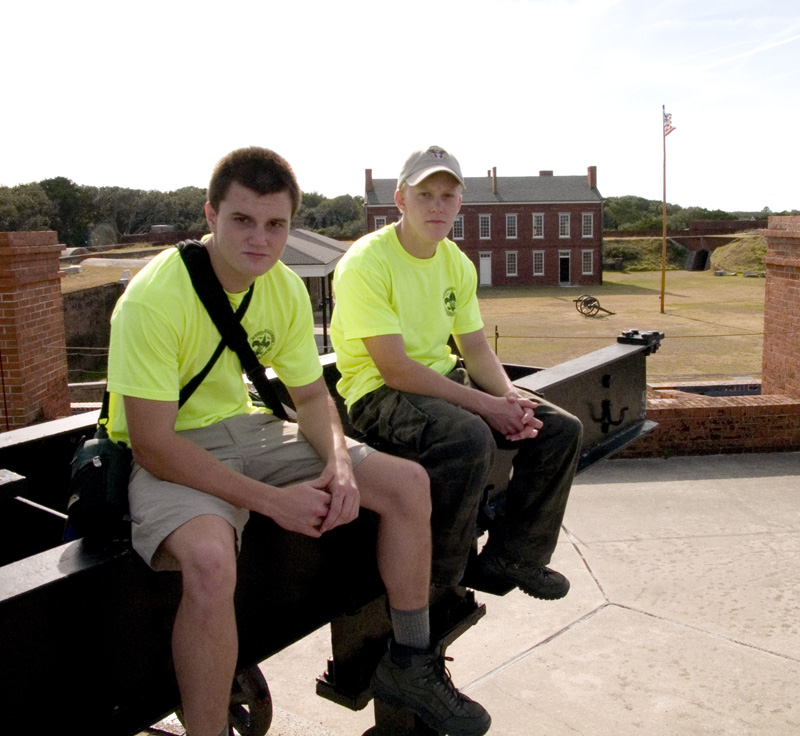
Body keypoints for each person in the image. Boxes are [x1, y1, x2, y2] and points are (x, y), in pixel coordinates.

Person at [106, 147, 490, 736]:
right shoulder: (155, 297)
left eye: (276, 224)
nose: (260, 239)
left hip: (252, 428)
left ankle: (412, 660)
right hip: (176, 449)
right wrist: (271, 501)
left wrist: (339, 463)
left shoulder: (281, 287)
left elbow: (311, 399)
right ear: (210, 216)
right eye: (242, 220)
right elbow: (154, 444)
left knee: (408, 484)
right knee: (210, 562)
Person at [331, 145, 583, 601]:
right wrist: (485, 406)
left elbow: (475, 347)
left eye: (447, 195)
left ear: (460, 204)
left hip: (439, 382)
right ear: (401, 200)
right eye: (424, 194)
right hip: (377, 392)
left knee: (558, 429)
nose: (437, 205)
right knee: (468, 437)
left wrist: (508, 398)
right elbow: (395, 369)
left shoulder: (455, 263)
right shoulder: (367, 263)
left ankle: (515, 556)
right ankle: (442, 577)